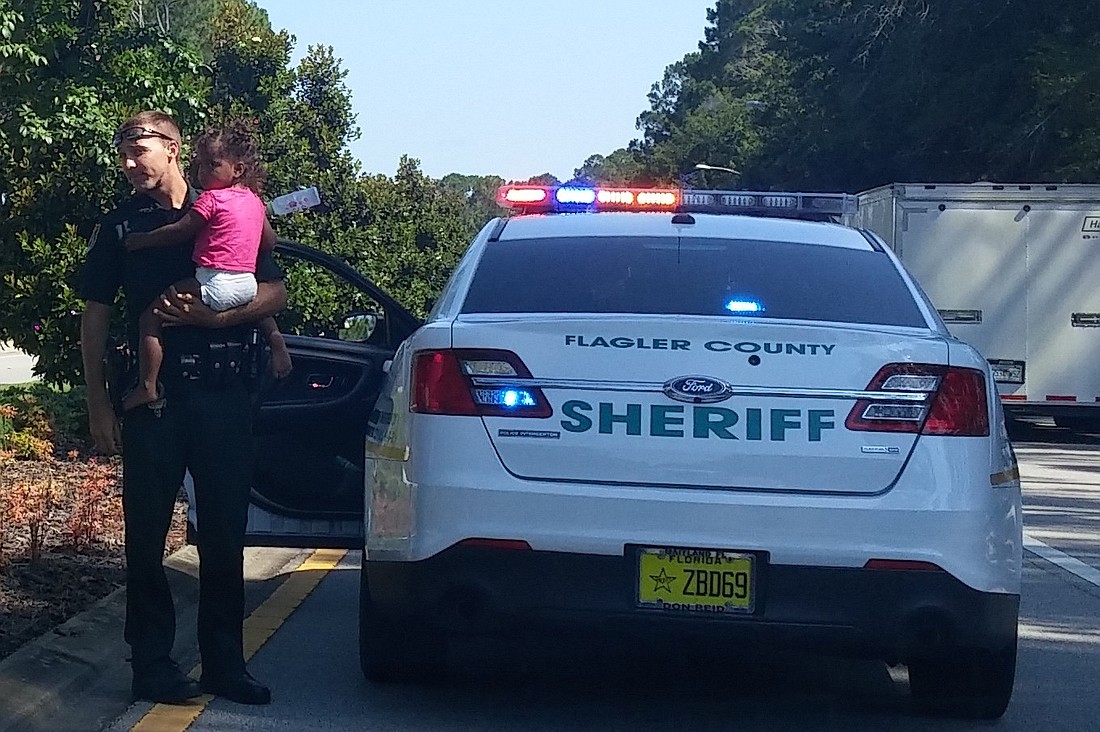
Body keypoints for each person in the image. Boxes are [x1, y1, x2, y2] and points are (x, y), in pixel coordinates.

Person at [79, 111, 285, 705]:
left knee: (224, 537)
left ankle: (226, 664)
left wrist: (215, 317)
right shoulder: (120, 225)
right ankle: (153, 666)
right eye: (122, 151)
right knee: (145, 540)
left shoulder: (229, 202)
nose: (128, 162)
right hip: (155, 402)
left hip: (223, 397)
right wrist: (99, 403)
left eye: (137, 149)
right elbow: (95, 311)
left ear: (171, 150)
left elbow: (274, 288)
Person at [121, 121, 292, 412]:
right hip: (245, 283)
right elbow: (271, 241)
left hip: (213, 282)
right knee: (253, 303)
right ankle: (277, 344)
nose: (202, 173)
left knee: (150, 318)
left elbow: (180, 231)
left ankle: (147, 386)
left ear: (236, 170)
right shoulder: (254, 202)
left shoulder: (212, 200)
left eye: (211, 165)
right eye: (200, 166)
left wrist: (142, 240)